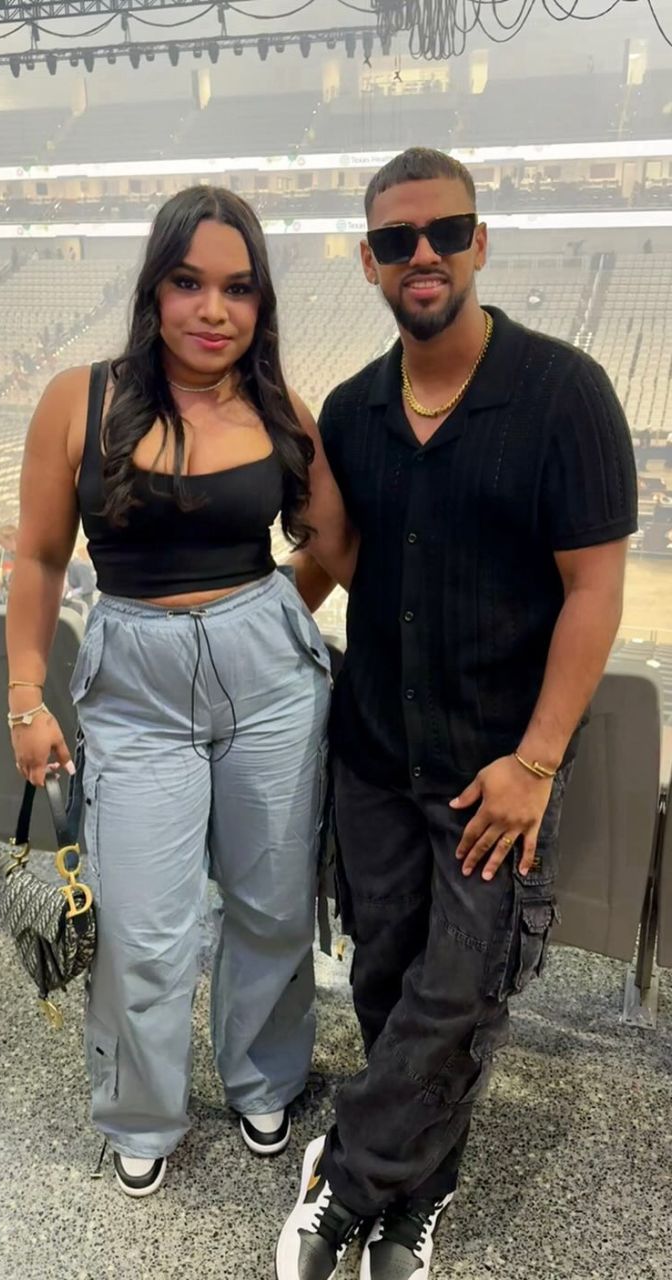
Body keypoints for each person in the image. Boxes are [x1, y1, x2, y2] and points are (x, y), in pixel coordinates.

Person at [277, 148, 638, 1280]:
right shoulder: (353, 410)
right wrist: (225, 623)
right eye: (396, 240)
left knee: (460, 992)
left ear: (479, 241)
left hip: (500, 768)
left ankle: (345, 1183)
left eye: (443, 232)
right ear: (370, 263)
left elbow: (595, 592)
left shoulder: (566, 393)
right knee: (386, 981)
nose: (422, 253)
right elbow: (339, 561)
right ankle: (420, 1189)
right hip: (375, 756)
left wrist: (537, 761)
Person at [5, 186, 356, 1199]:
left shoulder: (283, 408)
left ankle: (265, 1076)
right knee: (144, 926)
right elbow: (39, 556)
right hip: (136, 686)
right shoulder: (78, 400)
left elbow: (335, 545)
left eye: (238, 288)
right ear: (154, 289)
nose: (214, 309)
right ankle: (140, 1111)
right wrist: (25, 695)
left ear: (261, 301)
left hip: (270, 684)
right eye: (190, 283)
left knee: (271, 903)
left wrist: (267, 618)